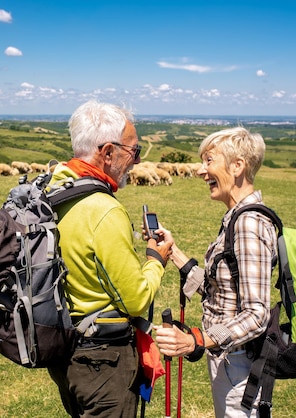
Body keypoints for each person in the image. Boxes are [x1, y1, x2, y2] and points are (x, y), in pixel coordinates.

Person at [46, 99, 174, 418]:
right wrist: (156, 259)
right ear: (107, 153)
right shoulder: (104, 209)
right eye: (134, 151)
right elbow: (136, 300)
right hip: (103, 362)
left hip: (63, 349)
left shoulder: (54, 186)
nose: (136, 160)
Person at [154, 127, 277, 417]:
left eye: (209, 161)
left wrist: (197, 340)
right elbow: (222, 289)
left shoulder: (249, 225)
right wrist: (174, 253)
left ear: (237, 167)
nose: (200, 170)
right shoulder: (236, 218)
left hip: (240, 366)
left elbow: (257, 314)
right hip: (231, 360)